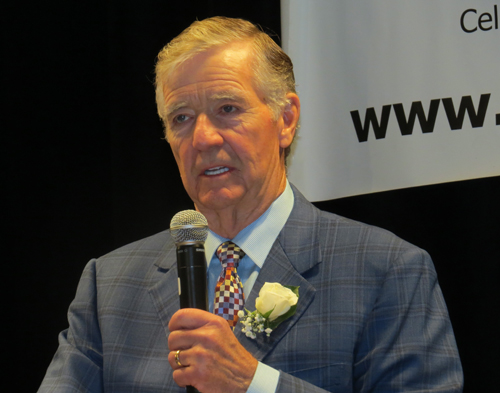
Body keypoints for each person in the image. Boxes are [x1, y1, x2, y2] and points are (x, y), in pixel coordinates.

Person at [39, 16, 463, 393]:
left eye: (227, 108)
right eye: (181, 118)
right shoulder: (109, 285)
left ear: (286, 119)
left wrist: (252, 383)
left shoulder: (386, 270)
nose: (203, 138)